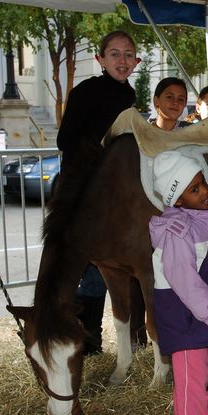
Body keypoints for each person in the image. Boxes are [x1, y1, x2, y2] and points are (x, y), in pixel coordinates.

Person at [56, 30, 143, 355]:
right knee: (78, 266)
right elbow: (66, 140)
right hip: (83, 191)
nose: (122, 60)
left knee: (103, 265)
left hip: (111, 194)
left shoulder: (128, 95)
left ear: (136, 61)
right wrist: (103, 155)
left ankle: (91, 340)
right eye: (115, 54)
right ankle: (71, 337)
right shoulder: (86, 91)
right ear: (101, 59)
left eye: (128, 54)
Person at [149, 151, 208, 415]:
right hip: (188, 319)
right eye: (194, 189)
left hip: (199, 318)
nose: (205, 192)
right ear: (176, 199)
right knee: (191, 386)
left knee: (203, 372)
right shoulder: (178, 230)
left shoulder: (199, 223)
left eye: (203, 183)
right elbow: (182, 277)